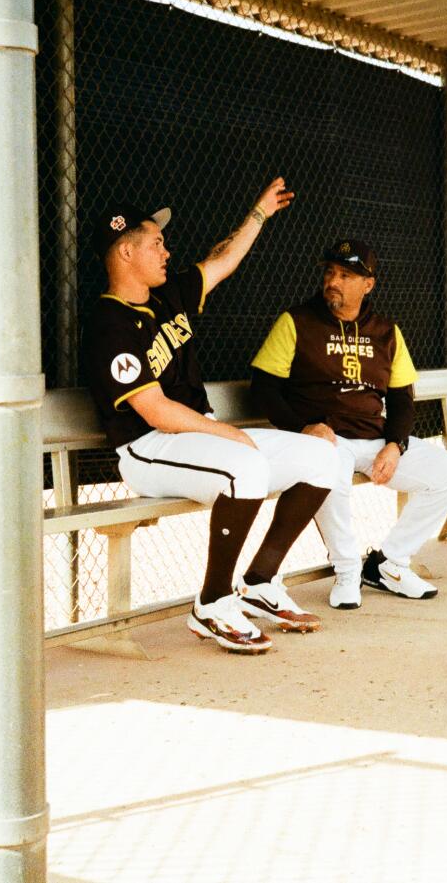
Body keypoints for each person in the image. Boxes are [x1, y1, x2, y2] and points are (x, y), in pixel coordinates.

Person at [83, 179, 337, 654]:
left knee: (323, 457)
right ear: (124, 253)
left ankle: (260, 582)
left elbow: (224, 260)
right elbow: (154, 410)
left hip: (195, 436)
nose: (165, 250)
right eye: (155, 243)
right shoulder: (109, 323)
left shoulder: (168, 296)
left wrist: (259, 214)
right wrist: (226, 432)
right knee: (245, 465)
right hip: (149, 449)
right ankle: (213, 602)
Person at [250, 240, 447, 609]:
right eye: (330, 272)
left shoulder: (386, 331)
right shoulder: (297, 321)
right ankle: (348, 568)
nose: (333, 281)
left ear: (368, 284)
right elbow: (264, 388)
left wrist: (395, 444)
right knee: (326, 465)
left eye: (346, 275)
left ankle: (390, 564)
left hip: (373, 438)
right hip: (325, 438)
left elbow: (401, 397)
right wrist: (304, 426)